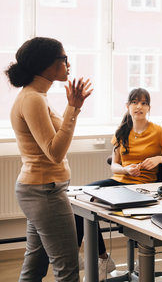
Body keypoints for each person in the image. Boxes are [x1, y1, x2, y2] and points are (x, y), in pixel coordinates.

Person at [5, 37, 93, 281]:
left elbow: (53, 144)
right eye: (64, 59)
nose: (68, 64)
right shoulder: (32, 99)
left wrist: (73, 107)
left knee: (34, 268)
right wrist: (73, 110)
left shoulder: (35, 96)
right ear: (47, 65)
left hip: (40, 190)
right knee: (68, 269)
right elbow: (54, 153)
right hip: (44, 192)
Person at [74, 88, 162, 280]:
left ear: (149, 107)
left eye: (143, 103)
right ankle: (98, 257)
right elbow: (114, 166)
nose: (139, 106)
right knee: (82, 197)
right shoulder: (122, 131)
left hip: (145, 186)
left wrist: (158, 158)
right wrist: (126, 169)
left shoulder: (158, 131)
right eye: (135, 102)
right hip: (120, 181)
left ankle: (95, 259)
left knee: (88, 202)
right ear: (127, 106)